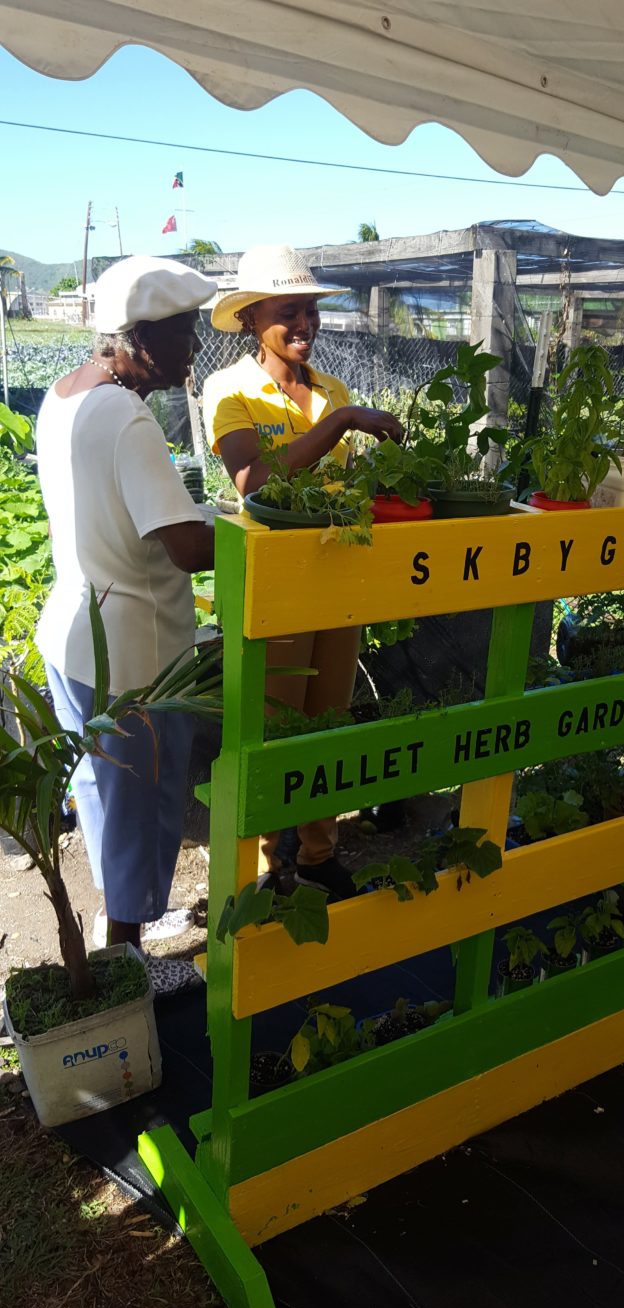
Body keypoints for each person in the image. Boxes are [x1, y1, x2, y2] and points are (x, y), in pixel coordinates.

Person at [203, 243, 404, 901]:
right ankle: (266, 866)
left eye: (310, 312)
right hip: (272, 588)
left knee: (328, 721)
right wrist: (343, 422)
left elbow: (341, 485)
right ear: (251, 317)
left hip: (336, 580)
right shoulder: (229, 390)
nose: (304, 324)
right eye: (288, 311)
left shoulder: (330, 390)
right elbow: (253, 479)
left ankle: (318, 854)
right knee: (271, 727)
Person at [35, 255, 217, 967]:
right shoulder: (128, 415)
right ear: (137, 338)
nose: (193, 348)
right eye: (182, 333)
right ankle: (130, 967)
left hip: (74, 641)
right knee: (140, 818)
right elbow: (184, 548)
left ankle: (120, 944)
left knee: (105, 806)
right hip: (133, 660)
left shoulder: (63, 395)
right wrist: (233, 524)